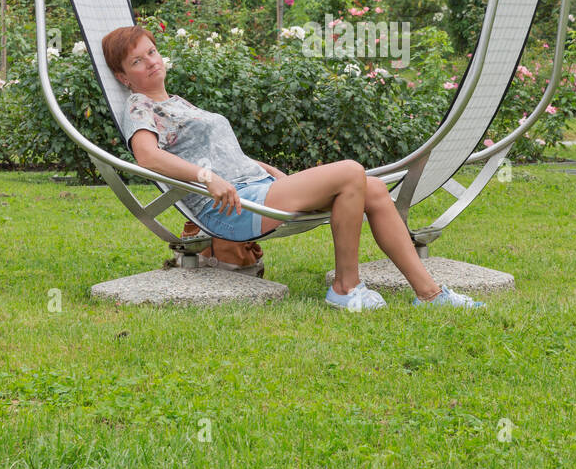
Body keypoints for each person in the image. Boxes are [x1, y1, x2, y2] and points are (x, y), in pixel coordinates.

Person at [101, 24, 485, 311]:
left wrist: (271, 171)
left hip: (255, 188)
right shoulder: (141, 107)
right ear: (123, 77)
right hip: (230, 209)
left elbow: (224, 152)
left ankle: (429, 294)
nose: (151, 62)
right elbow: (147, 157)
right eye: (137, 60)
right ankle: (345, 289)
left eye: (152, 52)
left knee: (371, 187)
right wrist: (207, 178)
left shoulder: (179, 102)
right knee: (352, 171)